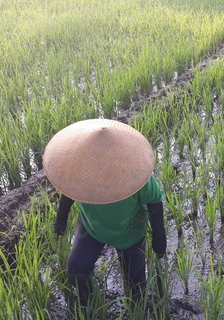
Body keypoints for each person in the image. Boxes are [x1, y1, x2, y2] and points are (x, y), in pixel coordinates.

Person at [43, 118, 166, 309]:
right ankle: (91, 304)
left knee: (136, 288)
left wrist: (159, 239)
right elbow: (69, 192)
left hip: (130, 232)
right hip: (92, 227)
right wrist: (61, 218)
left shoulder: (135, 174)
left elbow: (154, 201)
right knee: (76, 270)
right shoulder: (77, 171)